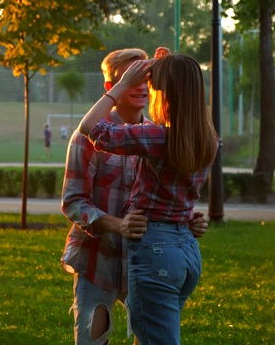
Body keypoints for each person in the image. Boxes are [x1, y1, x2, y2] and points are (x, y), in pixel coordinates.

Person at [61, 48, 209, 345]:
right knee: (93, 340)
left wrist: (183, 220)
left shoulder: (158, 136)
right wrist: (118, 225)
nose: (141, 85)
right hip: (99, 262)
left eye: (147, 77)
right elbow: (73, 202)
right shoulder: (88, 138)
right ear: (112, 87)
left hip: (145, 261)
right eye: (132, 78)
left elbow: (165, 192)